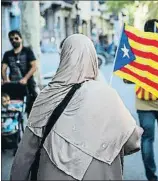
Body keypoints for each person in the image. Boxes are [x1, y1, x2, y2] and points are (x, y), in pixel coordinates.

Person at [10, 34, 143, 180]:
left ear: (64, 58)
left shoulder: (46, 95)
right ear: (93, 58)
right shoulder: (107, 95)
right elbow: (131, 141)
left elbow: (26, 151)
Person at [124, 19, 158, 181]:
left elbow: (127, 79)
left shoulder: (137, 49)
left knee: (147, 138)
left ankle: (151, 177)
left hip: (143, 102)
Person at [1, 30, 39, 115]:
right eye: (11, 39)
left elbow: (34, 66)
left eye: (16, 38)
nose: (14, 40)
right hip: (14, 84)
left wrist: (25, 78)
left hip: (28, 84)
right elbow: (3, 68)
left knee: (33, 105)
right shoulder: (7, 54)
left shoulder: (27, 51)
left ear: (21, 39)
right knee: (10, 104)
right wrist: (5, 79)